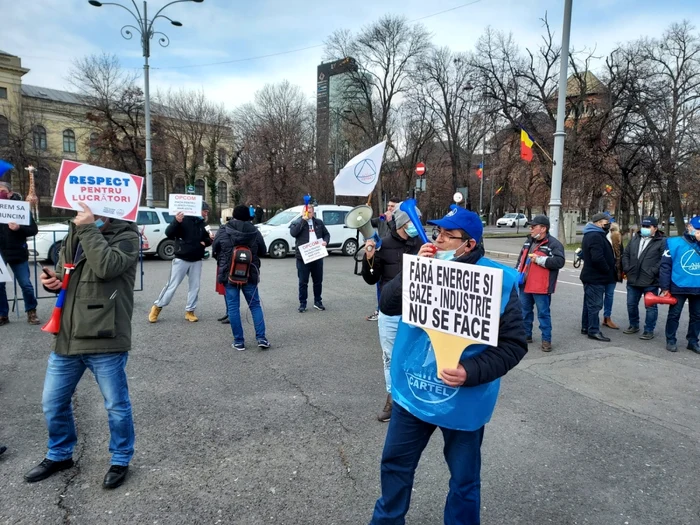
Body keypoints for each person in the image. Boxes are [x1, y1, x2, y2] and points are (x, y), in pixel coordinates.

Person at [369, 205, 527, 524]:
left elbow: (513, 345)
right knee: (395, 466)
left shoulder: (497, 282)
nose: (437, 240)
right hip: (412, 391)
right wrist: (413, 272)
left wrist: (470, 372)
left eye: (446, 236)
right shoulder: (424, 265)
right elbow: (386, 304)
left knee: (464, 481)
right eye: (437, 233)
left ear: (468, 245)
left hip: (463, 399)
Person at [26, 202, 138, 489]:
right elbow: (72, 275)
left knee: (116, 405)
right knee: (52, 402)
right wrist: (55, 283)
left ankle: (121, 458)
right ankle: (60, 454)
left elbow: (105, 267)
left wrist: (88, 227)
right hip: (69, 334)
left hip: (105, 335)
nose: (78, 211)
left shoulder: (127, 236)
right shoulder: (74, 232)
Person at [361, 203, 421, 422]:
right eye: (414, 222)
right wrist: (369, 256)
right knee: (390, 357)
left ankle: (413, 397)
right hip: (391, 312)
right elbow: (371, 278)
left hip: (417, 311)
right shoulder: (383, 244)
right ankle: (393, 398)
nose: (417, 226)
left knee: (416, 355)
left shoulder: (422, 244)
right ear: (404, 224)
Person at [213, 205, 270, 350]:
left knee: (233, 307)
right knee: (255, 305)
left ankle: (239, 341)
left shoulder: (224, 229)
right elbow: (263, 250)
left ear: (234, 215)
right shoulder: (255, 231)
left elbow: (215, 249)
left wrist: (223, 261)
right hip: (250, 273)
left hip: (229, 274)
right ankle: (261, 338)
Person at [149, 202, 213, 323]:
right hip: (181, 258)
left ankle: (190, 311)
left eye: (207, 212)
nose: (206, 213)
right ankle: (157, 307)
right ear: (197, 210)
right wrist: (176, 221)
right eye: (205, 211)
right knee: (172, 285)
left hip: (197, 259)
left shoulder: (202, 223)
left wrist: (208, 241)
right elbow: (169, 233)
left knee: (195, 287)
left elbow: (207, 238)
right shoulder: (183, 220)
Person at [514, 215, 565, 352]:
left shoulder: (553, 244)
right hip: (525, 283)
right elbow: (521, 260)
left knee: (543, 314)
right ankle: (526, 335)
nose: (530, 229)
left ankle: (546, 340)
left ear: (543, 228)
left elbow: (559, 262)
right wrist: (516, 273)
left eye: (533, 226)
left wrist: (540, 260)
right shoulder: (528, 241)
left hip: (541, 286)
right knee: (524, 311)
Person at [0, 181, 40, 326]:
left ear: (10, 193)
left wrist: (19, 228)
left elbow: (33, 230)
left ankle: (31, 311)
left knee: (26, 284)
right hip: (0, 253)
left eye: (2, 190)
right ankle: (2, 314)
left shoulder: (20, 209)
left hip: (17, 251)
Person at [660, 216, 700, 353]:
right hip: (679, 285)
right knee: (674, 315)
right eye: (697, 229)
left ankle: (693, 341)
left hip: (698, 286)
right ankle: (670, 339)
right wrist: (665, 287)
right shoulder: (673, 242)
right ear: (689, 227)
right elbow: (665, 266)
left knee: (697, 316)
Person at [621, 217, 665, 340]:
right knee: (631, 304)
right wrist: (627, 267)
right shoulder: (635, 238)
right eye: (643, 226)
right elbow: (626, 254)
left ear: (655, 228)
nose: (644, 229)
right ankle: (633, 325)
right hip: (633, 277)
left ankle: (649, 330)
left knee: (650, 307)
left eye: (648, 227)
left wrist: (653, 272)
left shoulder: (661, 241)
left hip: (650, 280)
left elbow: (663, 260)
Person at [580, 212, 616, 341]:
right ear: (599, 223)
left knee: (589, 303)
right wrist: (607, 269)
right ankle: (593, 330)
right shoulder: (595, 236)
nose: (608, 224)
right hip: (596, 277)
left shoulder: (592, 234)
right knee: (595, 305)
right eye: (607, 222)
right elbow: (597, 257)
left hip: (591, 275)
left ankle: (586, 326)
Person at [290, 204, 330, 312]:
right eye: (306, 212)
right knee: (303, 282)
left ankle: (318, 301)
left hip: (317, 255)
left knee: (318, 281)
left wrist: (326, 241)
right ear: (303, 212)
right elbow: (293, 233)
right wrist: (303, 220)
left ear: (313, 213)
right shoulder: (297, 222)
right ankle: (303, 303)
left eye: (310, 212)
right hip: (303, 257)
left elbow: (326, 234)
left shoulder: (319, 223)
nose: (308, 214)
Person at [366, 198, 399, 322]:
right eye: (389, 206)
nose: (389, 208)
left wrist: (391, 220)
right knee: (379, 283)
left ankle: (387, 310)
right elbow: (368, 223)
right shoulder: (382, 219)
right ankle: (380, 309)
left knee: (391, 285)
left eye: (393, 206)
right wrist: (366, 211)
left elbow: (397, 234)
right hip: (381, 253)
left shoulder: (399, 221)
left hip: (394, 255)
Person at [602, 221, 624, 329]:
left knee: (609, 295)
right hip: (602, 271)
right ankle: (595, 318)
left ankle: (607, 317)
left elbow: (621, 254)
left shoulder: (616, 237)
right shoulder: (600, 236)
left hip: (613, 271)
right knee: (599, 296)